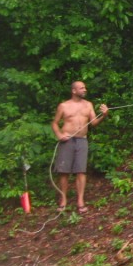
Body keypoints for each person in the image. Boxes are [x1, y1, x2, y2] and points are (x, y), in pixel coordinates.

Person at [51, 81, 109, 213]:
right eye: (81, 88)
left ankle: (80, 201)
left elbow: (93, 123)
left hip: (82, 140)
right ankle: (63, 200)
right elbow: (54, 123)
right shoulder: (64, 106)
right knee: (64, 171)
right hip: (67, 141)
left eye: (85, 88)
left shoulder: (88, 105)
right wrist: (59, 135)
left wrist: (104, 115)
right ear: (74, 91)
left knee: (81, 171)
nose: (85, 90)